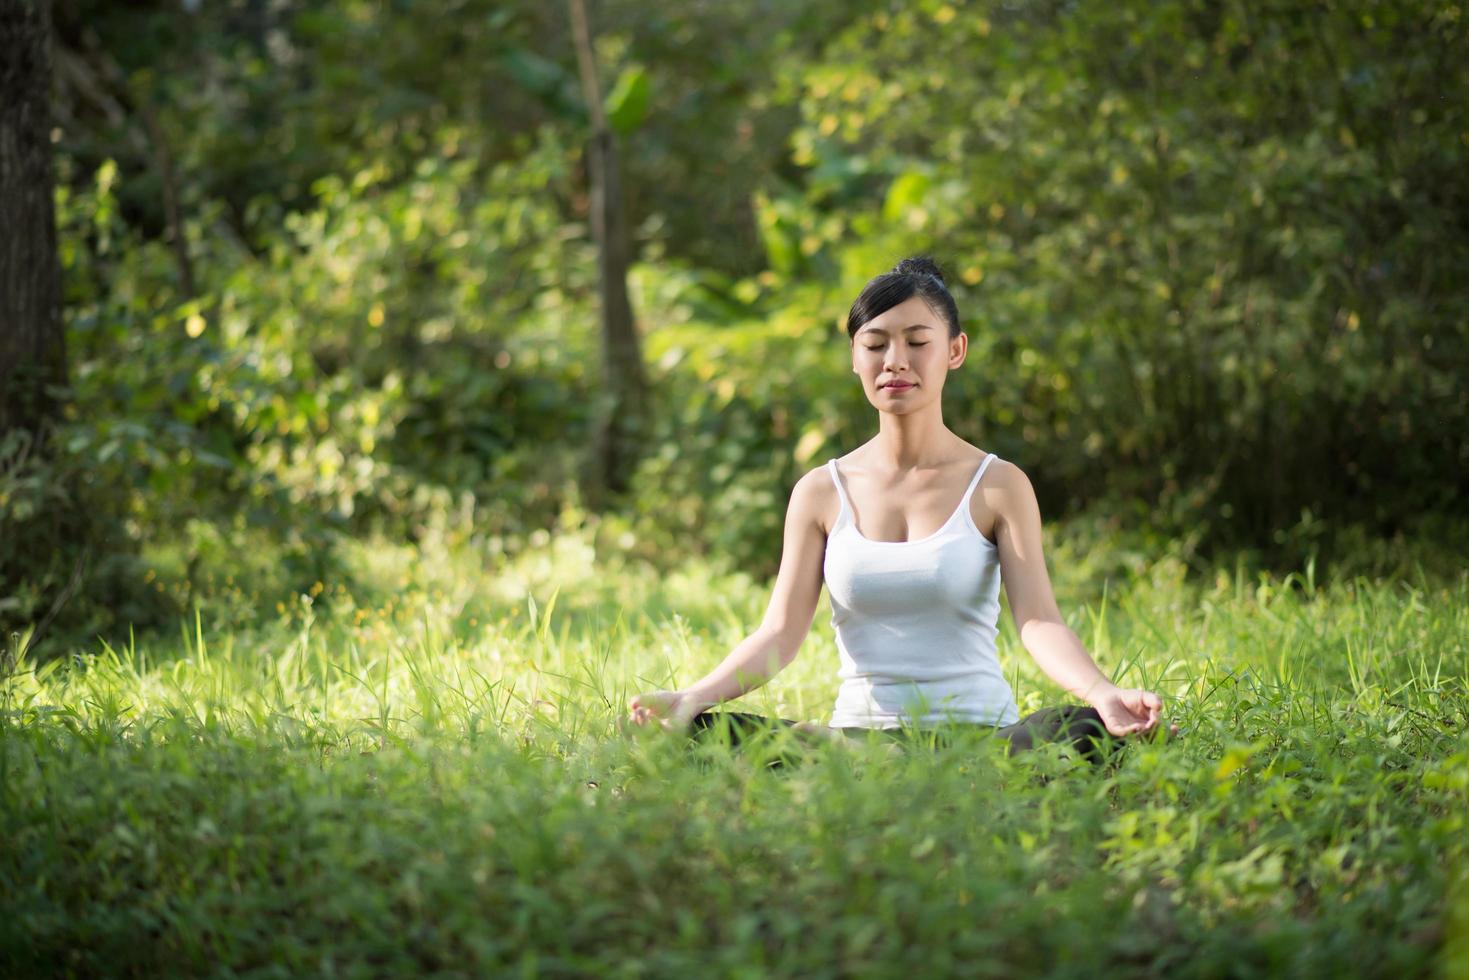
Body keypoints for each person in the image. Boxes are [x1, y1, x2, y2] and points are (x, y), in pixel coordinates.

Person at [627, 256, 1170, 763]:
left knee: (1082, 729)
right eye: (875, 344)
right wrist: (692, 698)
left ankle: (940, 771)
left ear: (954, 351)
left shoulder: (998, 485)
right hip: (852, 746)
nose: (895, 362)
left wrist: (1103, 693)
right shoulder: (820, 491)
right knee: (706, 736)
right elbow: (779, 634)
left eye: (917, 341)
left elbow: (1039, 621)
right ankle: (885, 768)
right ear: (854, 356)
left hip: (985, 739)